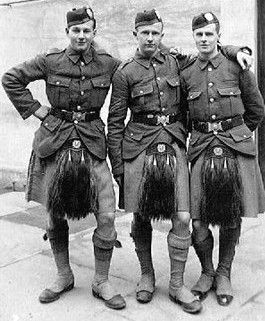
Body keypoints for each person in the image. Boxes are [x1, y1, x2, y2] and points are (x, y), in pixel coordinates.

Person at [107, 9, 251, 314]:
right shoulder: (125, 72)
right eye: (144, 33)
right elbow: (115, 121)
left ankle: (175, 284)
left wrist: (237, 50)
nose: (150, 38)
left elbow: (209, 51)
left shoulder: (177, 61)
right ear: (135, 35)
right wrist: (118, 166)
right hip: (138, 147)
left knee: (184, 217)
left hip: (173, 144)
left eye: (155, 33)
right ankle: (147, 276)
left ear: (162, 34)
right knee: (140, 215)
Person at [2, 7, 126, 310]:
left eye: (87, 30)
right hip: (55, 142)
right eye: (76, 30)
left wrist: (227, 48)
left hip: (93, 144)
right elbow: (11, 78)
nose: (81, 35)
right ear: (67, 32)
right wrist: (36, 109)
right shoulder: (50, 60)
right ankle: (63, 275)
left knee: (107, 215)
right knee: (55, 215)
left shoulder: (110, 64)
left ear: (94, 32)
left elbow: (143, 67)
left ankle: (101, 280)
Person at [181, 12, 265, 306]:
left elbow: (256, 109)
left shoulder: (237, 65)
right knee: (199, 218)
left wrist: (237, 134)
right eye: (199, 34)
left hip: (234, 147)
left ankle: (224, 273)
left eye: (209, 34)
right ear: (194, 37)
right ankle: (207, 272)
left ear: (219, 35)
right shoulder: (186, 71)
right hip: (202, 147)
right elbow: (182, 114)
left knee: (231, 215)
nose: (204, 39)